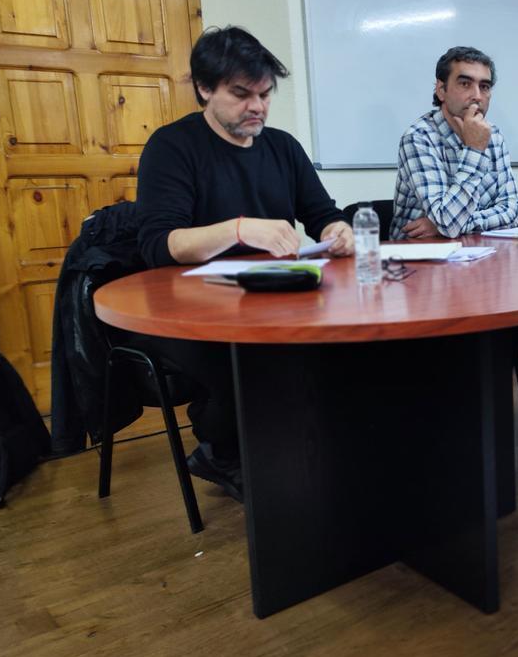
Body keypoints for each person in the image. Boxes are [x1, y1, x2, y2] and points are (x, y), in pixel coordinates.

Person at [133, 26, 353, 501]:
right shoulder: (172, 147)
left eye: (265, 94)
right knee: (254, 361)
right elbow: (158, 243)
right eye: (241, 94)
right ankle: (222, 449)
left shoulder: (282, 147)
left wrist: (338, 231)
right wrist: (239, 228)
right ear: (205, 89)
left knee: (341, 343)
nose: (257, 106)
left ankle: (308, 449)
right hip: (189, 306)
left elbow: (323, 214)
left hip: (271, 294)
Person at [391, 46, 518, 240]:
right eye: (465, 84)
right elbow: (447, 222)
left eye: (484, 86)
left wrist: (448, 224)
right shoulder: (419, 138)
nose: (477, 95)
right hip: (419, 259)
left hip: (478, 253)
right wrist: (475, 150)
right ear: (441, 90)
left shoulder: (493, 136)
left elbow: (511, 213)